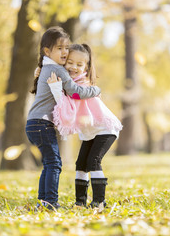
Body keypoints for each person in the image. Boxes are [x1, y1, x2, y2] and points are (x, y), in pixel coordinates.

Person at [25, 27, 101, 210]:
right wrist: (95, 90)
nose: (65, 52)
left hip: (34, 123)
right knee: (54, 163)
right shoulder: (57, 69)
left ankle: (43, 202)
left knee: (49, 163)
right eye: (59, 48)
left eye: (66, 47)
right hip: (42, 123)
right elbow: (75, 92)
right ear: (47, 51)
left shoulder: (47, 66)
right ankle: (50, 202)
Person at [47, 43, 122, 208]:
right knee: (81, 164)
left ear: (86, 67)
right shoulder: (68, 82)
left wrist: (56, 89)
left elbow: (72, 97)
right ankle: (80, 202)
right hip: (90, 132)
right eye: (70, 62)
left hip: (105, 129)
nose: (74, 67)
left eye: (79, 65)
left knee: (93, 162)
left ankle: (99, 202)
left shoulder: (82, 84)